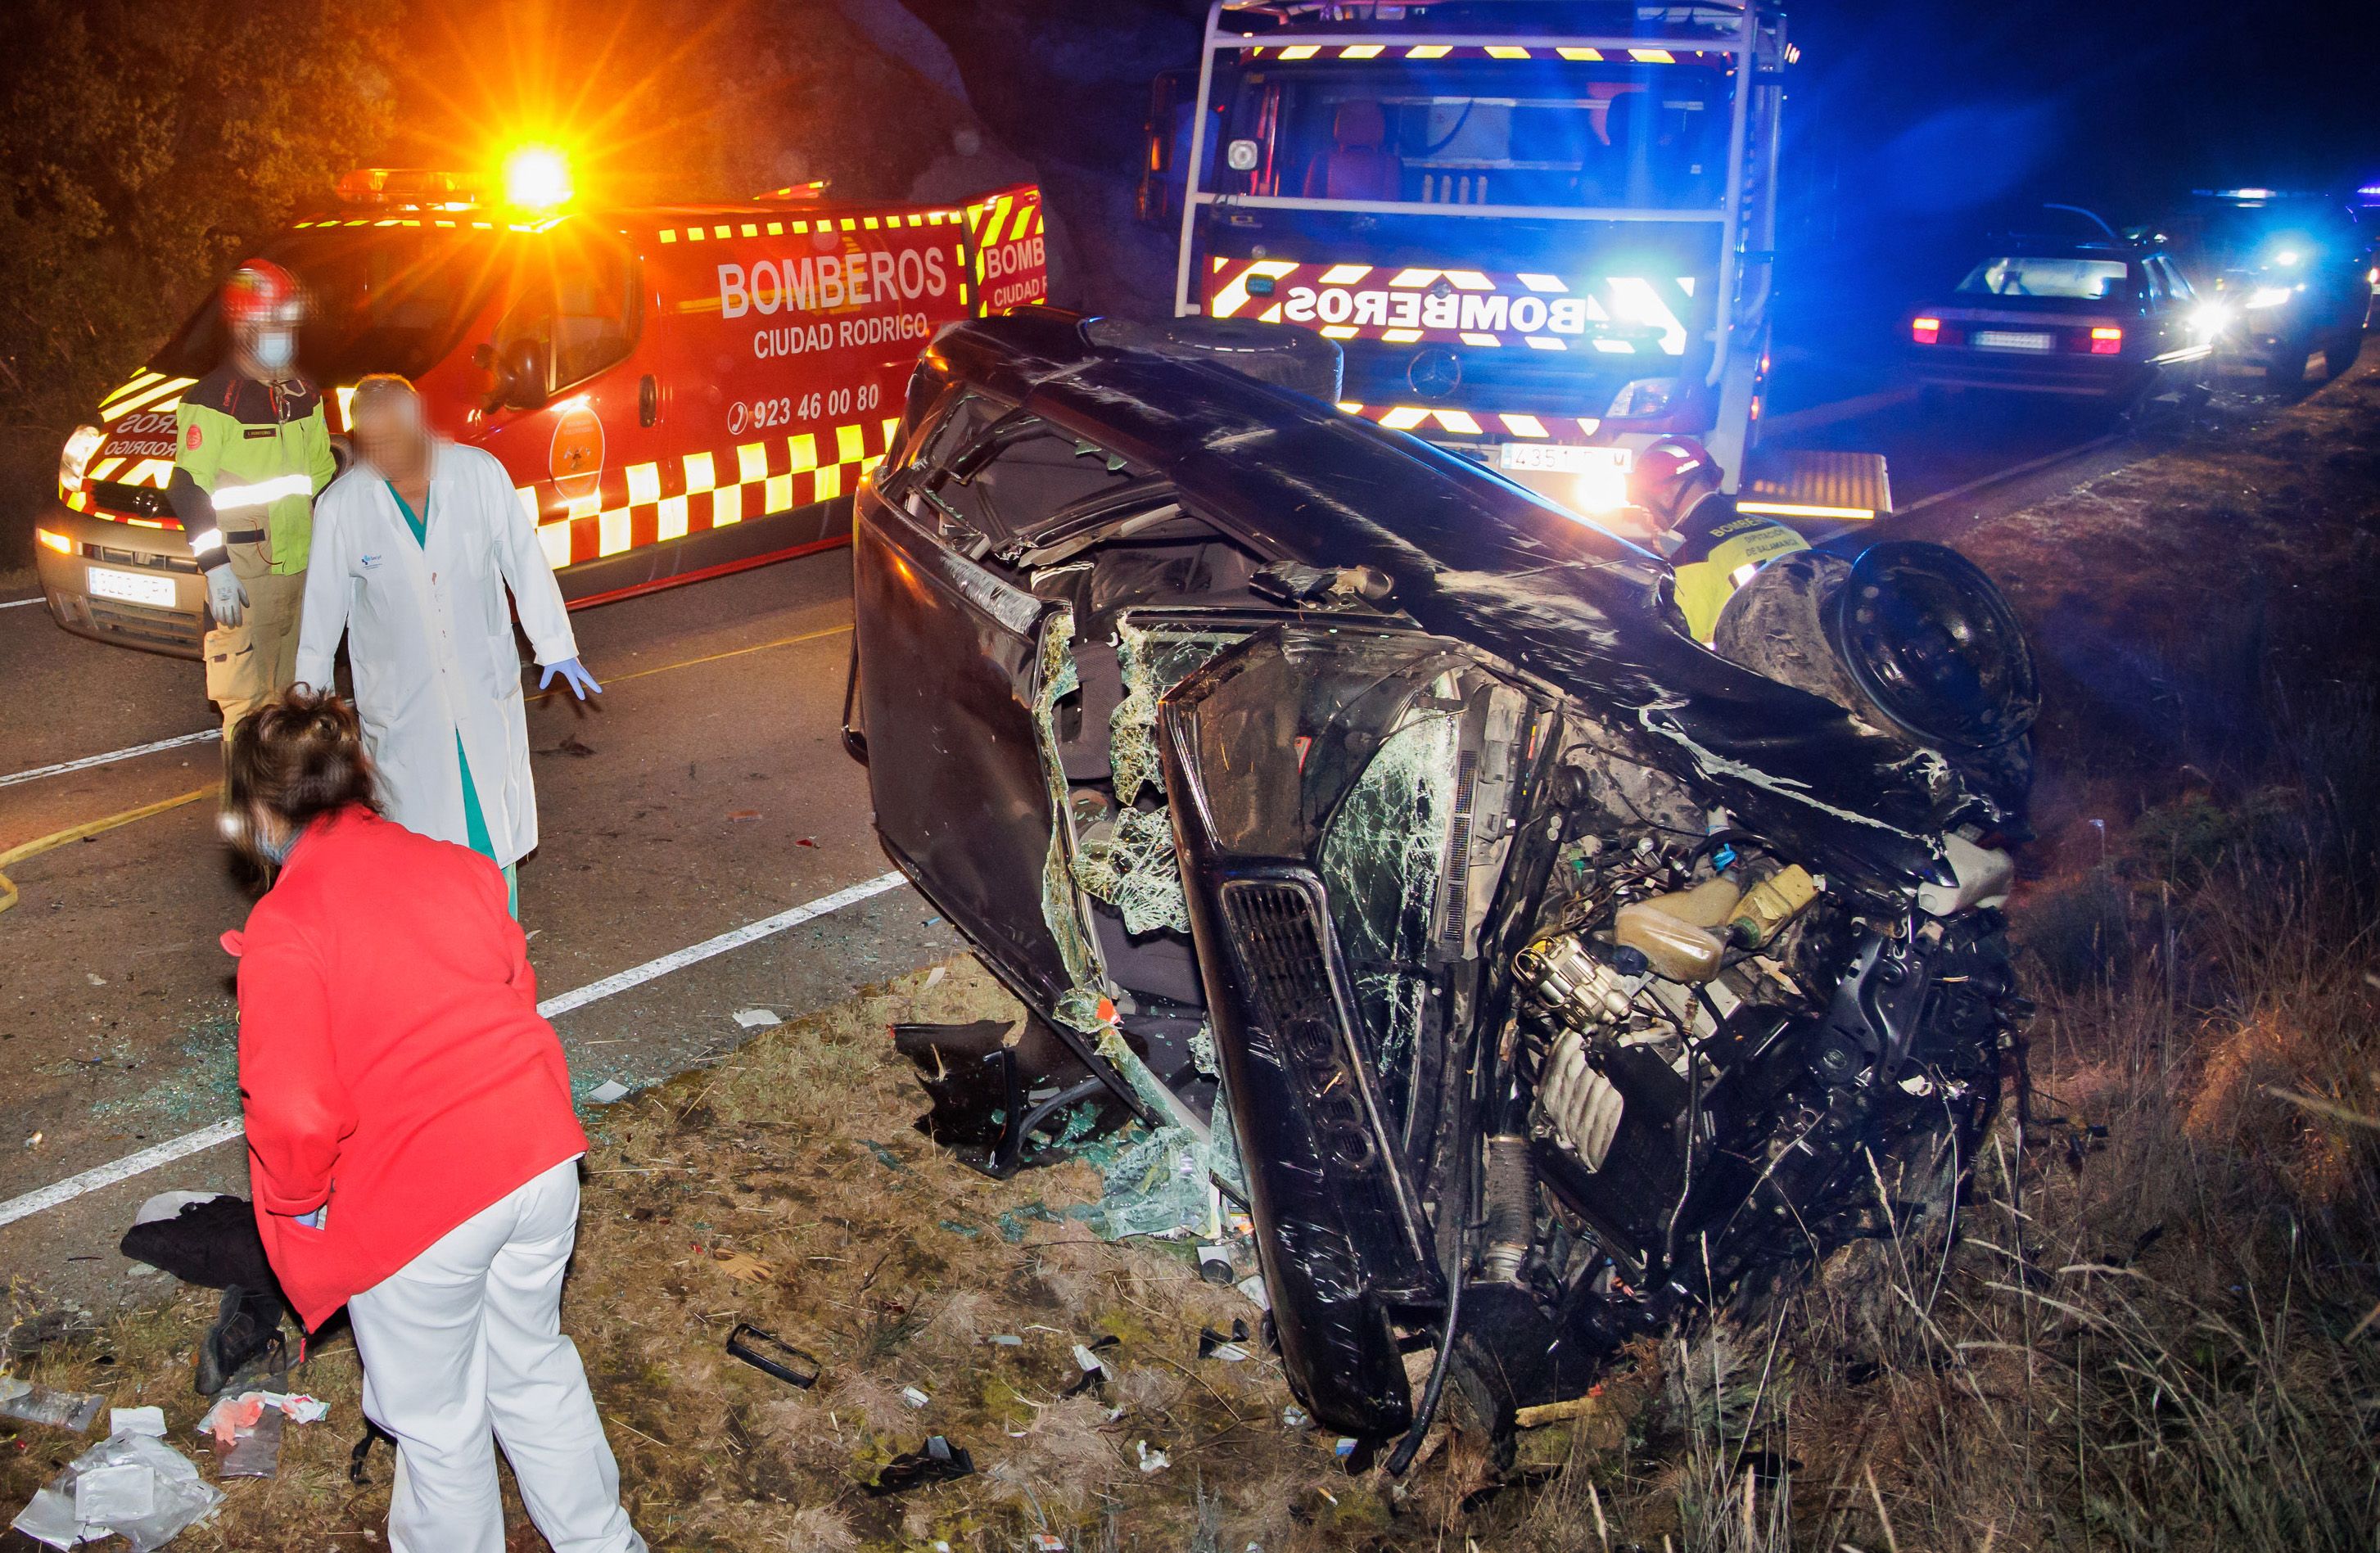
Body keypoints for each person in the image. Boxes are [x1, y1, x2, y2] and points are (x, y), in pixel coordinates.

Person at [219, 690, 644, 1553]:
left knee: (438, 1422)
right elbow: (512, 998)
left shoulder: (287, 922)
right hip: (537, 1163)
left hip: (421, 1203)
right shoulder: (460, 865)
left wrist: (303, 1207)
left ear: (263, 809)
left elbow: (296, 1108)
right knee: (532, 1363)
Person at [295, 375, 600, 913]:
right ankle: (437, 966)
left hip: (480, 689)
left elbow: (522, 558)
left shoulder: (478, 473)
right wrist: (308, 710)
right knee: (419, 852)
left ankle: (500, 958)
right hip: (402, 707)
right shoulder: (343, 505)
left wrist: (554, 644)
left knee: (489, 845)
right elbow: (321, 614)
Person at [169, 259, 338, 734]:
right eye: (273, 321)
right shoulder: (212, 399)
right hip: (244, 580)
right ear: (243, 326)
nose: (285, 332)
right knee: (248, 713)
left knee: (297, 706)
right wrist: (216, 568)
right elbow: (186, 487)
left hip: (300, 571)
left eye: (289, 321)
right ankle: (246, 812)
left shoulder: (304, 392)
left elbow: (324, 478)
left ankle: (286, 808)